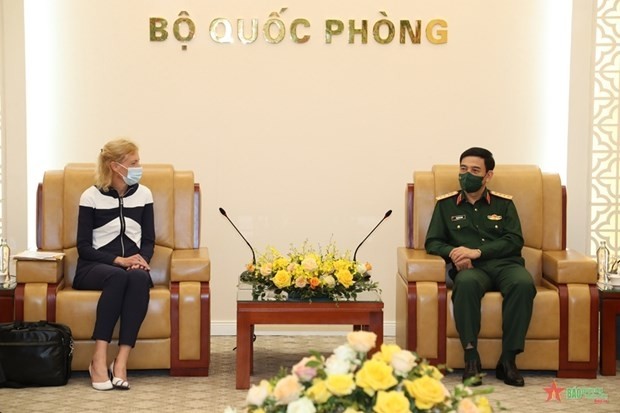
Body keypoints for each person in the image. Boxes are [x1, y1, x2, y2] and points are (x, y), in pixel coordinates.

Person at [424, 147, 536, 387]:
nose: (467, 175)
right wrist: (453, 253)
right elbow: (432, 242)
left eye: (475, 170)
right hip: (470, 269)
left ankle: (508, 360)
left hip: (505, 264)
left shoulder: (503, 204)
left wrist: (478, 251)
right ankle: (471, 358)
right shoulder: (445, 205)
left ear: (488, 176)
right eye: (463, 169)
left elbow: (515, 240)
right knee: (464, 284)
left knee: (524, 284)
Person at [74, 138, 155, 391]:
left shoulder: (144, 194)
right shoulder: (91, 196)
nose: (139, 167)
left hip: (131, 265)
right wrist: (118, 260)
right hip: (94, 266)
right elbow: (83, 247)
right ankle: (98, 359)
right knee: (118, 276)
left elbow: (149, 239)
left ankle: (120, 362)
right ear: (115, 166)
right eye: (134, 162)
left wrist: (141, 261)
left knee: (139, 278)